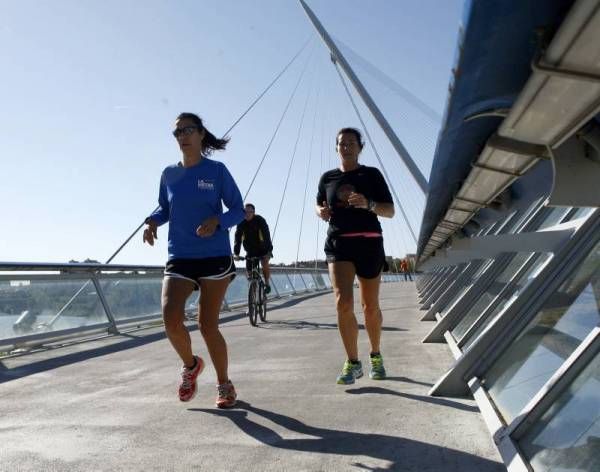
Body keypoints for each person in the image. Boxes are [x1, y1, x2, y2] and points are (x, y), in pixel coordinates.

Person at [143, 112, 245, 408]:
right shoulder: (169, 174)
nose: (182, 136)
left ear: (201, 134)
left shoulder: (217, 171)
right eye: (177, 133)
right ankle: (191, 366)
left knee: (207, 325)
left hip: (214, 256)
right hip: (180, 255)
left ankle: (225, 385)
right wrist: (151, 221)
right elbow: (165, 208)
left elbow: (238, 210)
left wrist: (217, 221)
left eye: (188, 130)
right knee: (170, 317)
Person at [315, 127, 395, 385]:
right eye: (342, 143)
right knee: (343, 303)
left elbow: (390, 211)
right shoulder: (327, 177)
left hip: (369, 243)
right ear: (336, 148)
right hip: (339, 244)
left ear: (360, 147)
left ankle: (375, 355)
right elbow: (319, 204)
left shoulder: (371, 175)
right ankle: (353, 362)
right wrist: (321, 212)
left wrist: (369, 205)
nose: (346, 146)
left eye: (351, 143)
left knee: (369, 307)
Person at [233, 204, 273, 293]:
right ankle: (253, 294)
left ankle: (267, 283)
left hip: (263, 249)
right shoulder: (241, 223)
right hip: (250, 250)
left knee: (264, 262)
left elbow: (267, 236)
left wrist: (269, 251)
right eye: (245, 212)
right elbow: (237, 238)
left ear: (253, 213)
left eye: (250, 212)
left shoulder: (260, 220)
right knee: (249, 272)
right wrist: (236, 253)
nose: (247, 214)